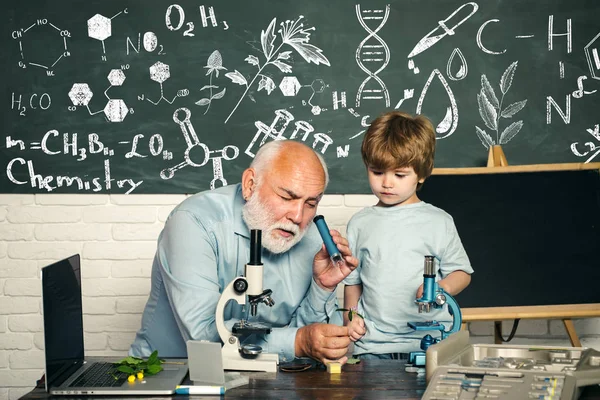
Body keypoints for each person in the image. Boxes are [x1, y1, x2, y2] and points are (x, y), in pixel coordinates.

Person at [130, 140, 359, 365]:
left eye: (311, 203)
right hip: (171, 369)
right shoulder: (193, 223)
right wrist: (297, 342)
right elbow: (202, 338)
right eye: (287, 197)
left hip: (268, 377)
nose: (298, 217)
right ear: (250, 184)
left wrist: (322, 287)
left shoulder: (313, 240)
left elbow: (312, 340)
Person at [342, 111, 474, 359]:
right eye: (377, 172)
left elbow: (462, 273)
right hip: (374, 346)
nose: (387, 183)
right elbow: (353, 282)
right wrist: (351, 317)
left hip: (432, 344)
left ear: (422, 173)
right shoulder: (360, 223)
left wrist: (440, 288)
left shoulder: (439, 221)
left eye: (399, 175)